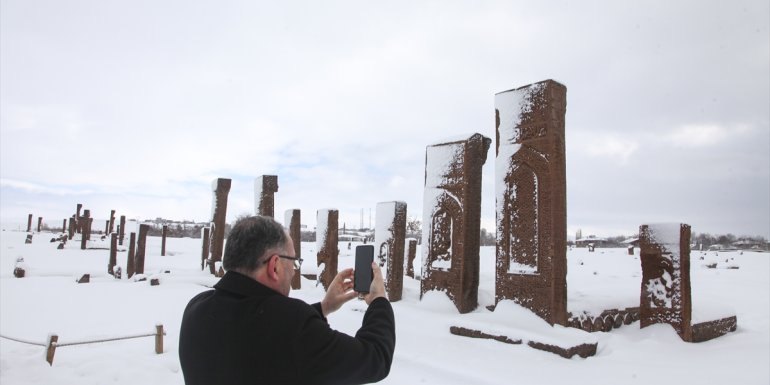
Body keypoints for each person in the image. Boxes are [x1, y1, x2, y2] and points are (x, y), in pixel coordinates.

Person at [179, 215, 395, 385]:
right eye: (293, 261)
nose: (293, 270)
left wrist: (324, 307)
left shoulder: (197, 309)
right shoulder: (292, 324)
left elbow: (260, 332)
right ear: (275, 266)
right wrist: (379, 301)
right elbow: (374, 359)